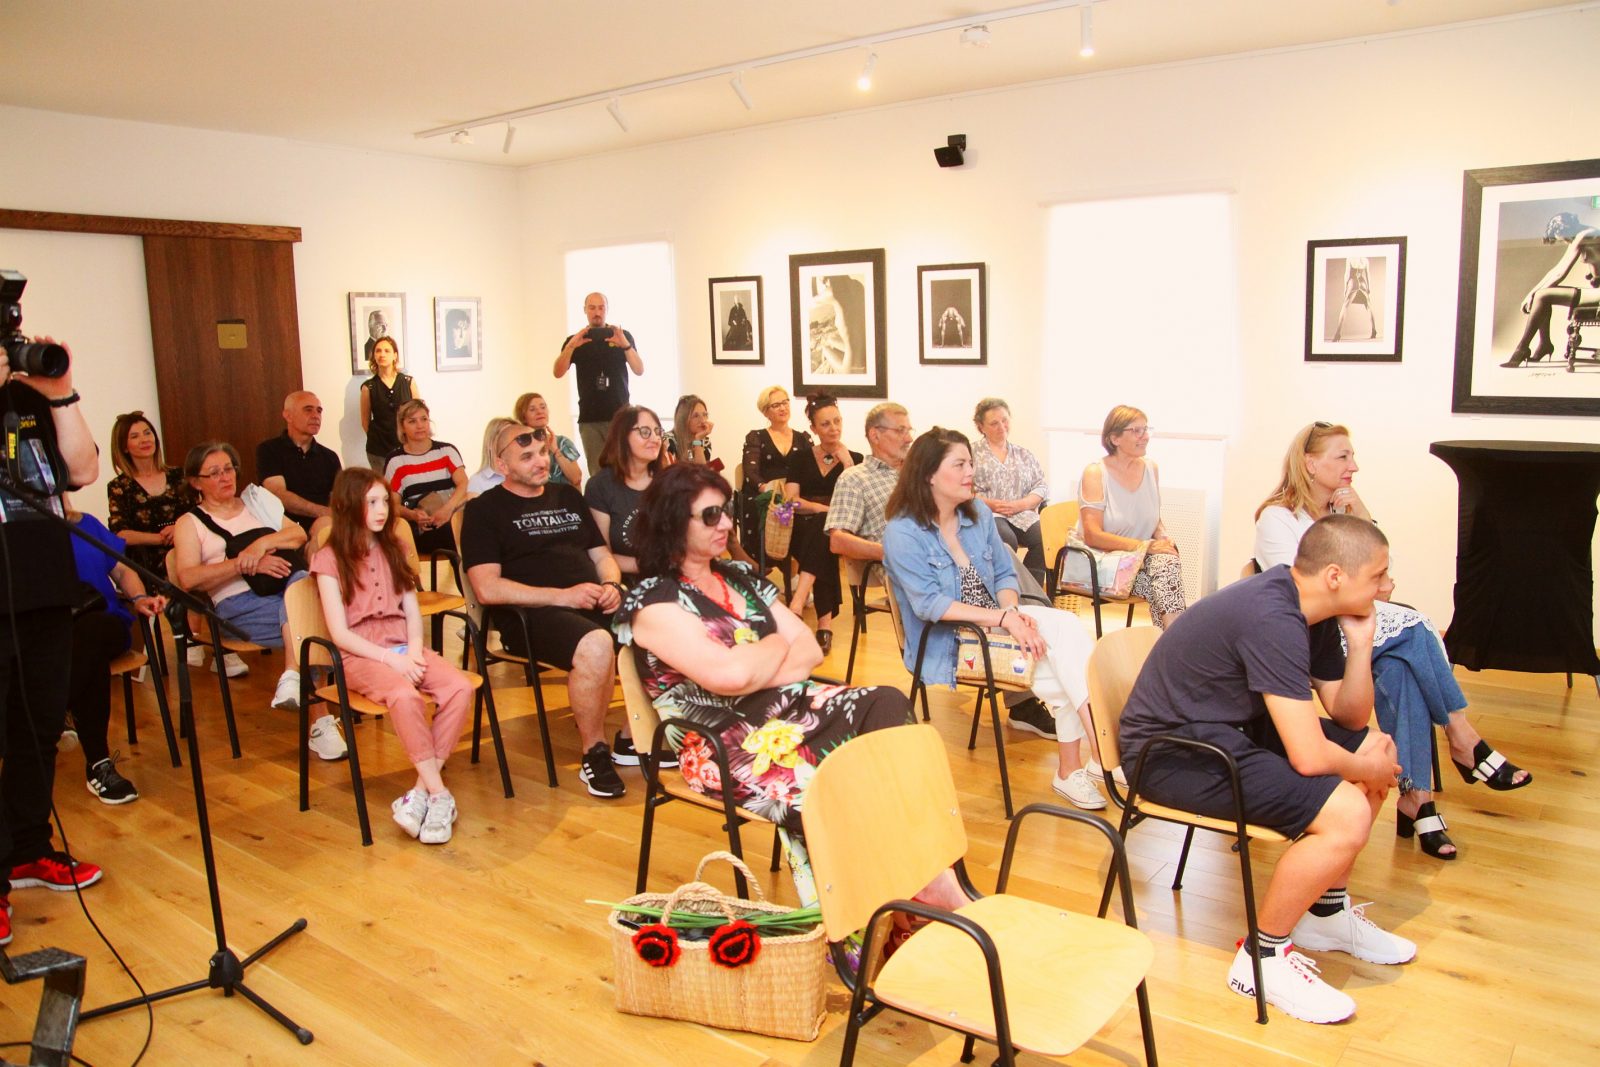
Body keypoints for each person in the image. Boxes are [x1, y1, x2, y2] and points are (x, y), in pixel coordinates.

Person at [1120, 515, 1414, 1024]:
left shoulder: (1312, 610)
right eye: (1378, 575)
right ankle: (1262, 958)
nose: (1388, 586)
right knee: (1348, 808)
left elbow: (1350, 717)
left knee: (1375, 745)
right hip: (1170, 753)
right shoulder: (1272, 616)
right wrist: (1364, 767)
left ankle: (1325, 914)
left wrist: (1362, 645)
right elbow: (1309, 756)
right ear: (1336, 576)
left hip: (1228, 728)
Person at [614, 461, 912, 903]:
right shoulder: (653, 603)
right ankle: (863, 906)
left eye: (725, 511)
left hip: (791, 709)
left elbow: (808, 648)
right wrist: (773, 643)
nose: (726, 524)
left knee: (885, 703)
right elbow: (729, 676)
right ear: (673, 523)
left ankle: (906, 875)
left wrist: (753, 665)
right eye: (710, 515)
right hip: (725, 743)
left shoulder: (737, 577)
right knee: (829, 789)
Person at [1253, 422, 1531, 861]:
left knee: (1401, 669)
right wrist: (1367, 586)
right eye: (1343, 456)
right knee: (1416, 627)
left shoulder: (1343, 510)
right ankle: (1462, 738)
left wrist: (1362, 517)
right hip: (1309, 636)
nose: (1354, 466)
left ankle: (1417, 799)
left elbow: (1379, 569)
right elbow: (1303, 593)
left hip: (1349, 624)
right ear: (1310, 464)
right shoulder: (1277, 518)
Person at [883, 429, 1106, 810]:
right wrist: (1002, 618)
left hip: (996, 621)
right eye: (960, 464)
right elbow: (929, 605)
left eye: (970, 463)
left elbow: (1004, 573)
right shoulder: (902, 532)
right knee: (1065, 665)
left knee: (1067, 639)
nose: (971, 471)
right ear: (929, 474)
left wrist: (1012, 615)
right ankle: (1096, 757)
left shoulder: (977, 514)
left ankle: (1088, 763)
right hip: (949, 641)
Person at [460, 423, 632, 798]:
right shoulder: (483, 510)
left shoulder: (567, 497)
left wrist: (611, 585)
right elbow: (487, 588)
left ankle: (632, 736)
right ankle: (595, 752)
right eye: (527, 457)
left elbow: (601, 555)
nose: (540, 462)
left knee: (661, 621)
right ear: (501, 465)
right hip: (530, 615)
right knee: (596, 643)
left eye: (541, 453)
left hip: (589, 600)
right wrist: (563, 597)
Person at [1, 336, 104, 947]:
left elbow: (84, 470)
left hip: (43, 589)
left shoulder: (29, 399)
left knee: (38, 730)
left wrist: (60, 394)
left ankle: (27, 849)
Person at [312, 469, 474, 844]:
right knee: (404, 696)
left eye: (384, 501)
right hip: (360, 655)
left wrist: (413, 652)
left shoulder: (395, 547)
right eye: (371, 502)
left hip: (404, 646)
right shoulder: (329, 558)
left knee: (459, 687)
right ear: (347, 505)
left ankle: (420, 791)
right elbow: (340, 634)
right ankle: (440, 794)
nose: (382, 509)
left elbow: (412, 612)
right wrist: (393, 661)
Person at [170, 442, 348, 760]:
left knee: (302, 589)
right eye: (214, 473)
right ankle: (319, 721)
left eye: (229, 469)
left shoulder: (256, 502)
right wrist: (244, 563)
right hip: (236, 606)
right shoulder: (190, 522)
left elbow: (297, 535)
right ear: (196, 482)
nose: (225, 477)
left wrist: (259, 545)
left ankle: (293, 677)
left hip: (285, 589)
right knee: (311, 619)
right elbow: (188, 578)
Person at [68, 501, 167, 804]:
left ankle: (54, 710)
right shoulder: (20, 532)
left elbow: (122, 569)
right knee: (86, 657)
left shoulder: (87, 524)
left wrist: (138, 597)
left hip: (105, 623)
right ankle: (98, 764)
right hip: (55, 635)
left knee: (91, 635)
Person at [1065, 405, 1188, 630]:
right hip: (1101, 561)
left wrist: (1163, 537)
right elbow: (1093, 536)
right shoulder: (1095, 473)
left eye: (1146, 429)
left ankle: (1171, 640)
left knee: (1167, 564)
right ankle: (1176, 640)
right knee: (1163, 584)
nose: (1145, 436)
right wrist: (1145, 546)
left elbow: (1153, 516)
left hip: (1137, 559)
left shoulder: (1151, 468)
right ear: (1114, 438)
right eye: (1137, 431)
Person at [784, 393, 859, 654]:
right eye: (825, 424)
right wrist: (826, 510)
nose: (833, 428)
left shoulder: (855, 460)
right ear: (814, 429)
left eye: (837, 421)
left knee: (826, 530)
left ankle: (798, 602)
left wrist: (847, 462)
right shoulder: (799, 458)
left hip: (841, 530)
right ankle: (824, 625)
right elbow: (791, 500)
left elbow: (855, 500)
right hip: (801, 527)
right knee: (823, 531)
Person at [553, 292, 643, 474]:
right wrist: (571, 346)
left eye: (601, 308)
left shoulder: (622, 336)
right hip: (590, 419)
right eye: (592, 308)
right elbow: (558, 372)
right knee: (597, 473)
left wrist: (625, 345)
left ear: (607, 310)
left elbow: (639, 369)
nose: (597, 312)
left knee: (625, 470)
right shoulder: (576, 340)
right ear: (585, 310)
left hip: (620, 416)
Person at [1501, 211, 1600, 367]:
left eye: (1565, 239)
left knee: (1542, 296)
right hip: (1597, 292)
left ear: (1569, 230)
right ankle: (1543, 345)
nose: (1567, 242)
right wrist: (1531, 293)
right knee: (1541, 295)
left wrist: (1533, 295)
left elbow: (1560, 273)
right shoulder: (1583, 234)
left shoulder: (1585, 235)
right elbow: (1555, 270)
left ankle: (1523, 348)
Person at [970, 397, 1048, 585]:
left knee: (1046, 538)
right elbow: (962, 490)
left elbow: (1041, 486)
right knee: (1006, 541)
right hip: (988, 513)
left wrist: (1022, 504)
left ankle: (1031, 589)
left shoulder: (1023, 454)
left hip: (1022, 512)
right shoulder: (971, 453)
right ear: (981, 427)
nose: (1001, 426)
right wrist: (989, 503)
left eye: (1004, 420)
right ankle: (1007, 588)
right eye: (994, 423)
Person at [585, 406, 667, 580]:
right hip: (623, 579)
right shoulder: (600, 486)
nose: (655, 439)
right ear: (622, 436)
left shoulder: (667, 482)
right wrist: (651, 566)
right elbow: (601, 555)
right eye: (645, 432)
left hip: (670, 576)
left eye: (657, 431)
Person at [105, 409, 190, 576]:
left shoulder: (179, 475)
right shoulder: (119, 486)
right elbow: (121, 534)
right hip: (147, 564)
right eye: (134, 436)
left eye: (147, 433)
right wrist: (161, 538)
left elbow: (200, 511)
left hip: (188, 551)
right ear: (124, 447)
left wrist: (179, 529)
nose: (144, 440)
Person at [383, 399, 468, 556]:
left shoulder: (447, 451)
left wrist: (447, 509)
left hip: (452, 517)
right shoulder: (395, 461)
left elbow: (463, 483)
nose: (420, 425)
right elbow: (392, 504)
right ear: (402, 426)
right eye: (412, 421)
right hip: (423, 526)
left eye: (424, 419)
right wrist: (413, 515)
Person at [257, 390, 341, 535]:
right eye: (308, 410)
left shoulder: (330, 457)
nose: (316, 416)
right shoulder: (269, 450)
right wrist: (323, 512)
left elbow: (338, 499)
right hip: (285, 526)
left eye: (319, 411)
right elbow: (277, 494)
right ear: (288, 415)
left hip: (324, 525)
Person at [740, 385, 812, 554]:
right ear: (766, 412)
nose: (783, 408)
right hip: (766, 492)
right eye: (776, 405)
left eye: (785, 402)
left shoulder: (803, 438)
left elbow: (811, 469)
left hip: (795, 493)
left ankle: (803, 562)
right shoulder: (756, 437)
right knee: (766, 507)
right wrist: (769, 490)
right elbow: (750, 472)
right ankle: (766, 559)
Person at [359, 336, 418, 471]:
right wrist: (379, 440)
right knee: (384, 484)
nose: (382, 354)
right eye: (378, 351)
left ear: (395, 355)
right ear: (374, 356)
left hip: (406, 447)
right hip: (378, 451)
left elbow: (418, 414)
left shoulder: (408, 382)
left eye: (387, 351)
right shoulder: (368, 387)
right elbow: (365, 422)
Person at [513, 392, 583, 488]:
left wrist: (556, 451)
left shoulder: (562, 442)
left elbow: (576, 478)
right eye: (532, 409)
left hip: (564, 495)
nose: (539, 412)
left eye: (543, 407)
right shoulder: (520, 445)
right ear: (523, 416)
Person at [467, 417, 518, 497]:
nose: (511, 442)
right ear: (490, 443)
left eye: (515, 438)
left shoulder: (526, 474)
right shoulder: (478, 481)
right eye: (504, 436)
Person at [666, 393, 716, 466]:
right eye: (696, 416)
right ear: (683, 419)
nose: (702, 420)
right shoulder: (668, 441)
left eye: (705, 415)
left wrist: (698, 440)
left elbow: (701, 470)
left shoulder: (705, 441)